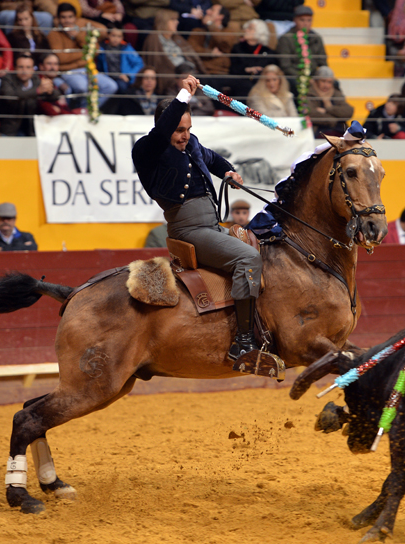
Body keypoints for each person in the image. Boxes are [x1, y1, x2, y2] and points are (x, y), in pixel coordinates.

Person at [131, 74, 262, 361]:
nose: (185, 135)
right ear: (164, 128)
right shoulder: (147, 149)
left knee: (264, 245)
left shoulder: (191, 143)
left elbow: (212, 159)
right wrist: (183, 95)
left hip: (212, 226)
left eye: (188, 128)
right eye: (178, 129)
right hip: (188, 230)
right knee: (248, 258)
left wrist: (228, 171)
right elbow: (165, 128)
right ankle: (243, 341)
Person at [48, 3, 118, 107]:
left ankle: (85, 111)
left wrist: (78, 36)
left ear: (75, 18)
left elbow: (97, 47)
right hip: (68, 71)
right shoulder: (53, 34)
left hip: (86, 69)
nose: (67, 20)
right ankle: (80, 111)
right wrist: (85, 54)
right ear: (58, 18)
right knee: (82, 88)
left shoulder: (81, 30)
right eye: (63, 17)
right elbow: (61, 58)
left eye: (70, 17)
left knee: (111, 86)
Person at [142, 9, 207, 95]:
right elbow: (156, 63)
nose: (177, 22)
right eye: (173, 19)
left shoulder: (177, 38)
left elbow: (192, 56)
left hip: (190, 72)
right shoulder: (154, 39)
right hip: (174, 77)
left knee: (211, 81)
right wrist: (179, 74)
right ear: (164, 22)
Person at [0, 53, 62, 136]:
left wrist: (50, 91)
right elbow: (11, 96)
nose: (24, 71)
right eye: (21, 67)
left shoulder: (35, 79)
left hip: (31, 129)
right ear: (14, 68)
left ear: (33, 69)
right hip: (10, 129)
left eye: (28, 67)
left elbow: (56, 96)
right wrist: (37, 91)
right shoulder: (7, 80)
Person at [187, 4, 240, 84]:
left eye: (212, 10)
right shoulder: (198, 31)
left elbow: (224, 43)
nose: (207, 11)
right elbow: (191, 48)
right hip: (200, 70)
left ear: (221, 16)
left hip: (219, 72)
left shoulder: (229, 32)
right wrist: (209, 53)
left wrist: (210, 25)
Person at [302, 66, 355, 138]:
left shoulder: (336, 93)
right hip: (319, 132)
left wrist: (328, 109)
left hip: (339, 131)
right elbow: (310, 113)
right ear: (316, 81)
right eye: (323, 81)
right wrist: (334, 119)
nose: (326, 85)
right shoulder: (309, 94)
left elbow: (348, 111)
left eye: (329, 82)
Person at [276, 6, 328, 79]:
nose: (306, 24)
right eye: (302, 20)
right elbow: (285, 66)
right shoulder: (286, 39)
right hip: (293, 76)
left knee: (333, 83)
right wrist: (303, 78)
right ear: (295, 20)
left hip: (313, 76)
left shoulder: (316, 38)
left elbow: (323, 63)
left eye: (309, 20)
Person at [229, 19, 275, 98]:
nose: (246, 30)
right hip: (242, 82)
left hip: (262, 82)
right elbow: (233, 68)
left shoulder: (268, 52)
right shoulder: (237, 48)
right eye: (246, 28)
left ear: (259, 32)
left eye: (250, 28)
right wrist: (247, 69)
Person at [96, 27, 144, 94]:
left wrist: (128, 75)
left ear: (122, 38)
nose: (116, 39)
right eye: (113, 35)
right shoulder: (102, 48)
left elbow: (139, 63)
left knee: (122, 87)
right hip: (107, 77)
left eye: (119, 36)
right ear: (108, 35)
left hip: (121, 78)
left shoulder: (126, 48)